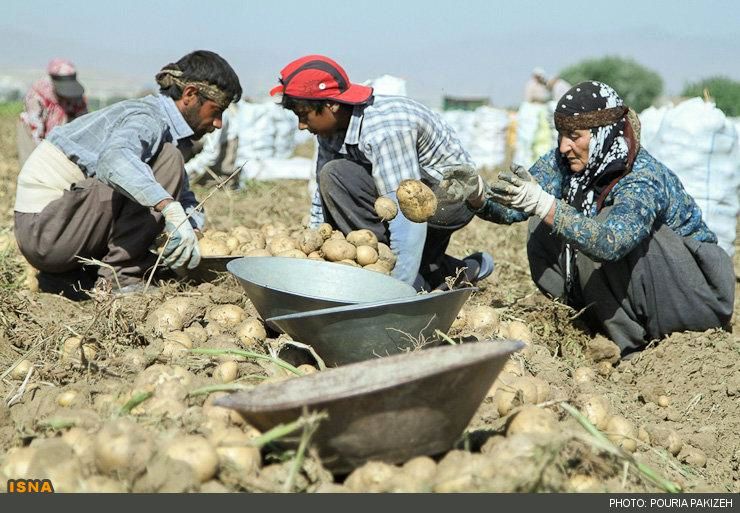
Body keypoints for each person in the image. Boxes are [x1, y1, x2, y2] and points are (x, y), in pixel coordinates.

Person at [443, 81, 734, 357]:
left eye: (574, 136)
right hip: (650, 291)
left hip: (692, 297)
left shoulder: (642, 178)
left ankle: (633, 346)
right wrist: (478, 193)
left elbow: (611, 243)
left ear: (604, 133)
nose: (563, 146)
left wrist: (545, 204)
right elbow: (514, 209)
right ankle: (592, 320)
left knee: (591, 226)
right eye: (560, 135)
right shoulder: (564, 163)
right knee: (542, 224)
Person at [14, 50, 242, 298]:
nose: (218, 123)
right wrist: (167, 207)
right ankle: (121, 276)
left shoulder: (168, 131)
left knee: (164, 167)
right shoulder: (147, 117)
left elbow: (183, 195)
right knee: (166, 160)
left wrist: (192, 229)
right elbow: (114, 160)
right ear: (190, 95)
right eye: (216, 110)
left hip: (59, 229)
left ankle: (71, 276)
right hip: (46, 232)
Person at [270, 54, 493, 291]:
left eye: (304, 116)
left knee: (408, 265)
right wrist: (311, 247)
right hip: (396, 192)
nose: (301, 126)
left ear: (331, 104)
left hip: (448, 198)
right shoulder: (331, 128)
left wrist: (396, 291)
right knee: (333, 174)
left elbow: (409, 215)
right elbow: (319, 195)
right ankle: (451, 269)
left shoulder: (383, 130)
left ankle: (409, 278)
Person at [17, 58, 88, 165]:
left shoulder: (77, 98)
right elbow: (36, 131)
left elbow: (85, 123)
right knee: (35, 170)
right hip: (37, 138)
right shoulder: (37, 97)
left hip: (64, 140)